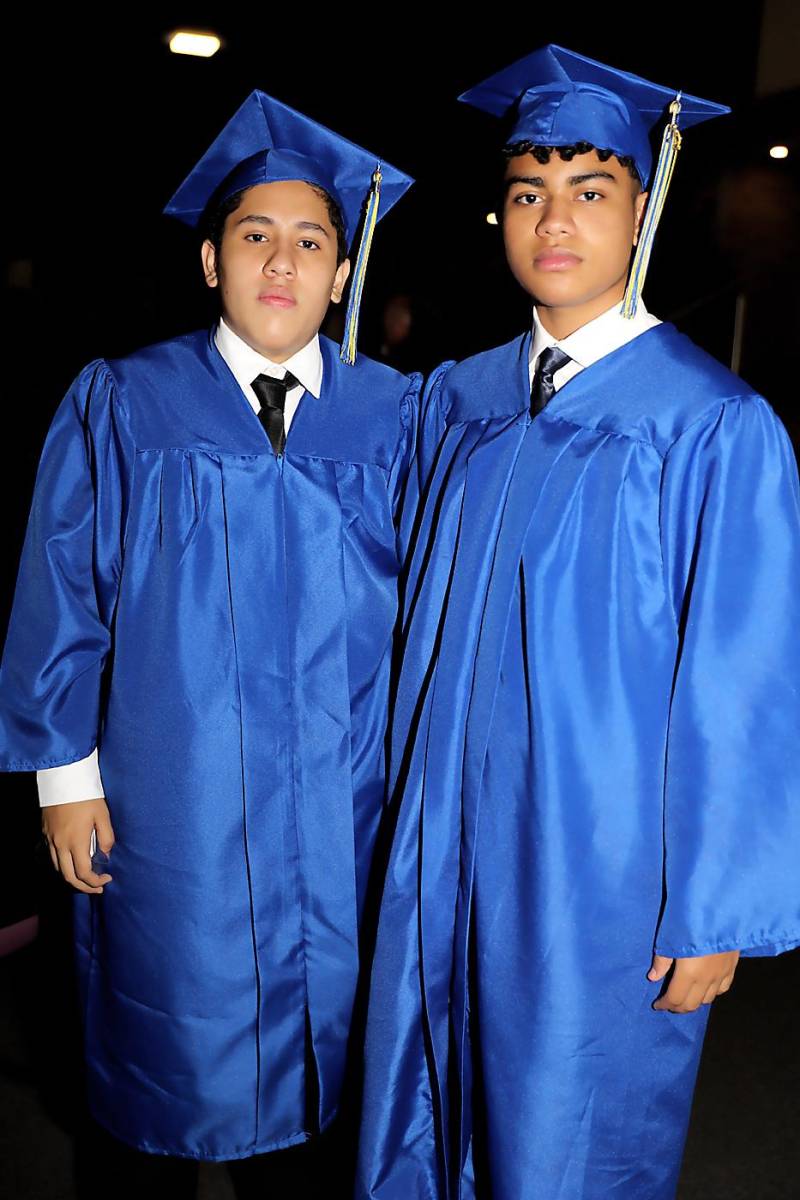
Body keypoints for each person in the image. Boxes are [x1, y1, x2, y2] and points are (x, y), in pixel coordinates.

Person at [356, 44, 800, 1200]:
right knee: (426, 1114)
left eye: (588, 192)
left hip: (594, 871)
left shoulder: (711, 424)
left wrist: (714, 910)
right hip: (440, 843)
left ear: (639, 209)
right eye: (526, 194)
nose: (552, 221)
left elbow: (739, 680)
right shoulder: (459, 396)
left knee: (564, 1135)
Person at [0, 88, 419, 1193]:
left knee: (326, 1089)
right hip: (166, 812)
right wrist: (62, 780)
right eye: (253, 236)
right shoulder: (124, 402)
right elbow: (61, 594)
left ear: (340, 272)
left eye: (308, 240)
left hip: (343, 819)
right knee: (155, 1082)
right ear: (208, 262)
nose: (280, 262)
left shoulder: (396, 419)